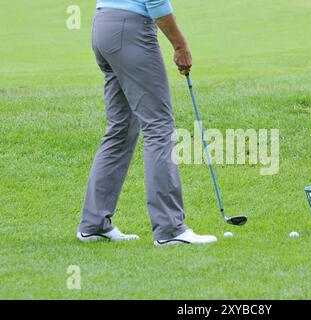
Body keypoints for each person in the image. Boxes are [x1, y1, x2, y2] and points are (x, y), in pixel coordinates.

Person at [77, 0, 217, 246]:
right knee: (159, 127)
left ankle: (94, 223)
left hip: (103, 25)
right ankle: (170, 228)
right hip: (131, 30)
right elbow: (156, 1)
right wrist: (180, 44)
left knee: (120, 128)